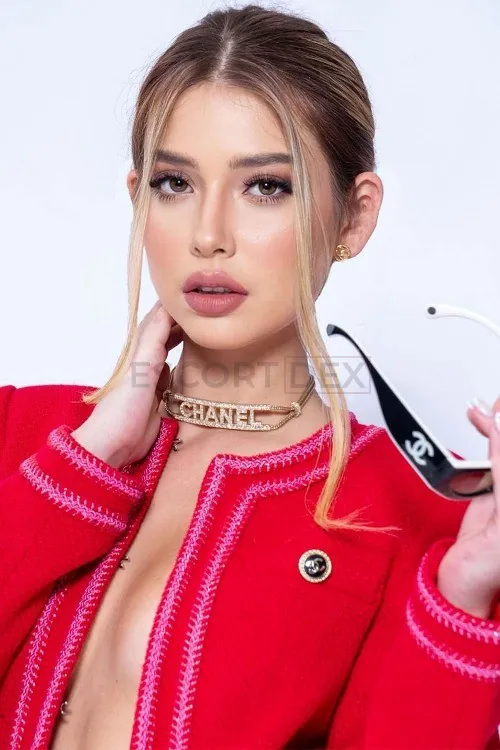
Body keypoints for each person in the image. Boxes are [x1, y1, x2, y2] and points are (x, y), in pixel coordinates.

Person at [1, 4, 499, 749]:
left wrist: (462, 595)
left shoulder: (416, 521)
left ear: (353, 217)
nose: (209, 235)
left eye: (266, 187)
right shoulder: (23, 434)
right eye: (174, 183)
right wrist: (86, 462)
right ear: (138, 198)